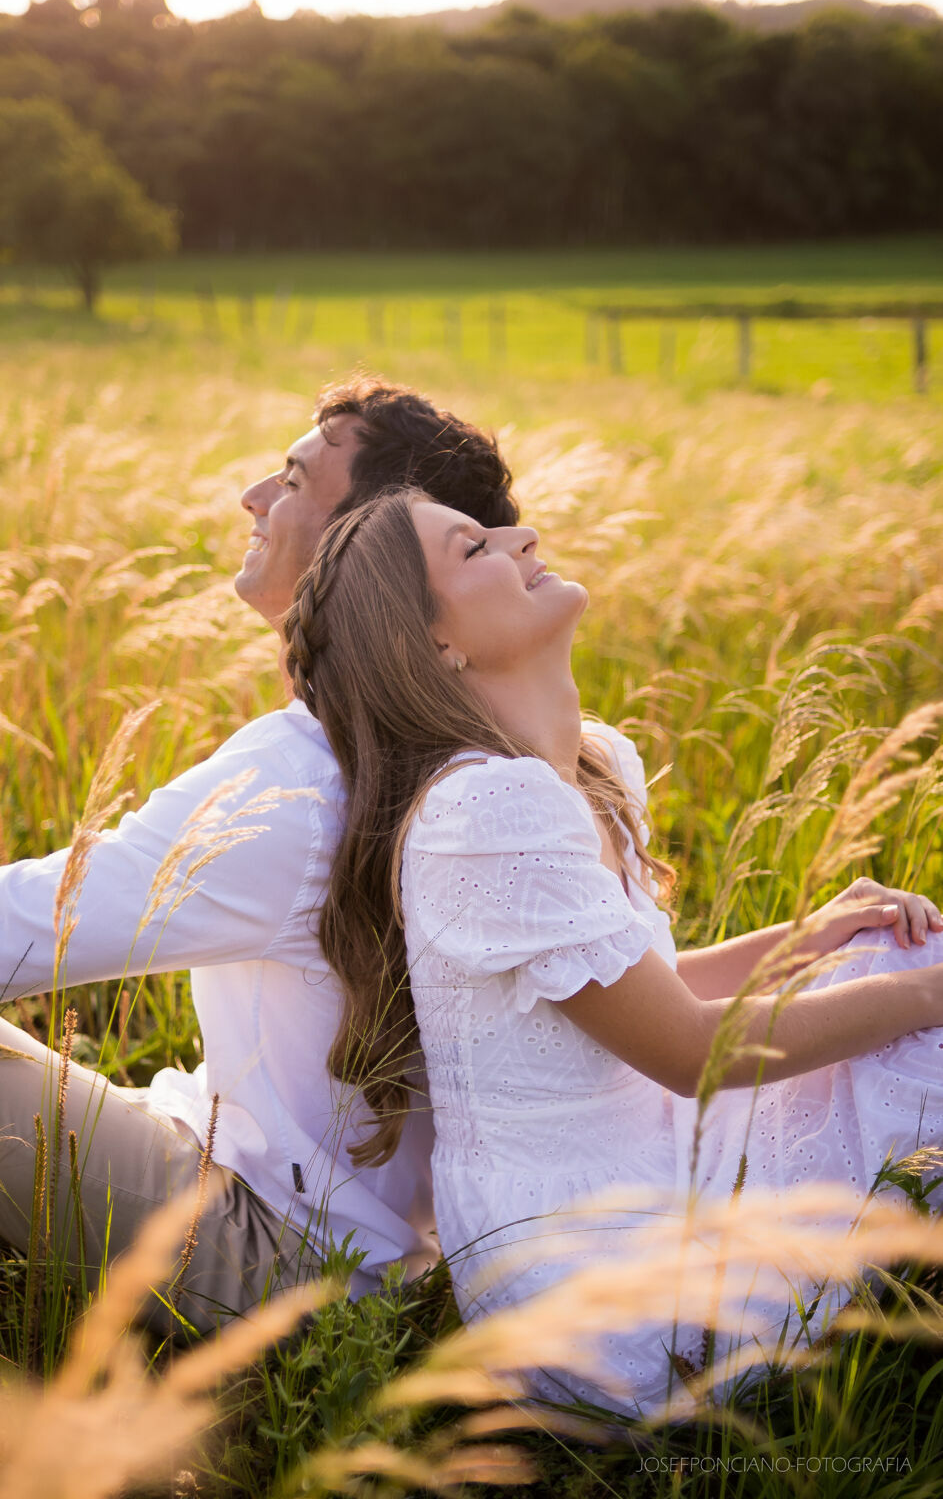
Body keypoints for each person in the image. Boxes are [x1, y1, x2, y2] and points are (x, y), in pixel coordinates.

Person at [0, 379, 520, 1338]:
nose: (254, 497)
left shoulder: (298, 786)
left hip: (285, 1263)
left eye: (296, 479)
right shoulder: (458, 743)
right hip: (328, 1229)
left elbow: (21, 925)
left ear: (365, 544)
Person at [283, 486, 943, 1418]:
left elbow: (641, 999)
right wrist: (929, 996)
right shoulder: (485, 810)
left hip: (657, 1162)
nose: (523, 537)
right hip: (596, 1282)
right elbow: (686, 1052)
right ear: (435, 645)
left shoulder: (582, 768)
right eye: (475, 549)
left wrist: (808, 938)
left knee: (885, 955)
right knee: (920, 1015)